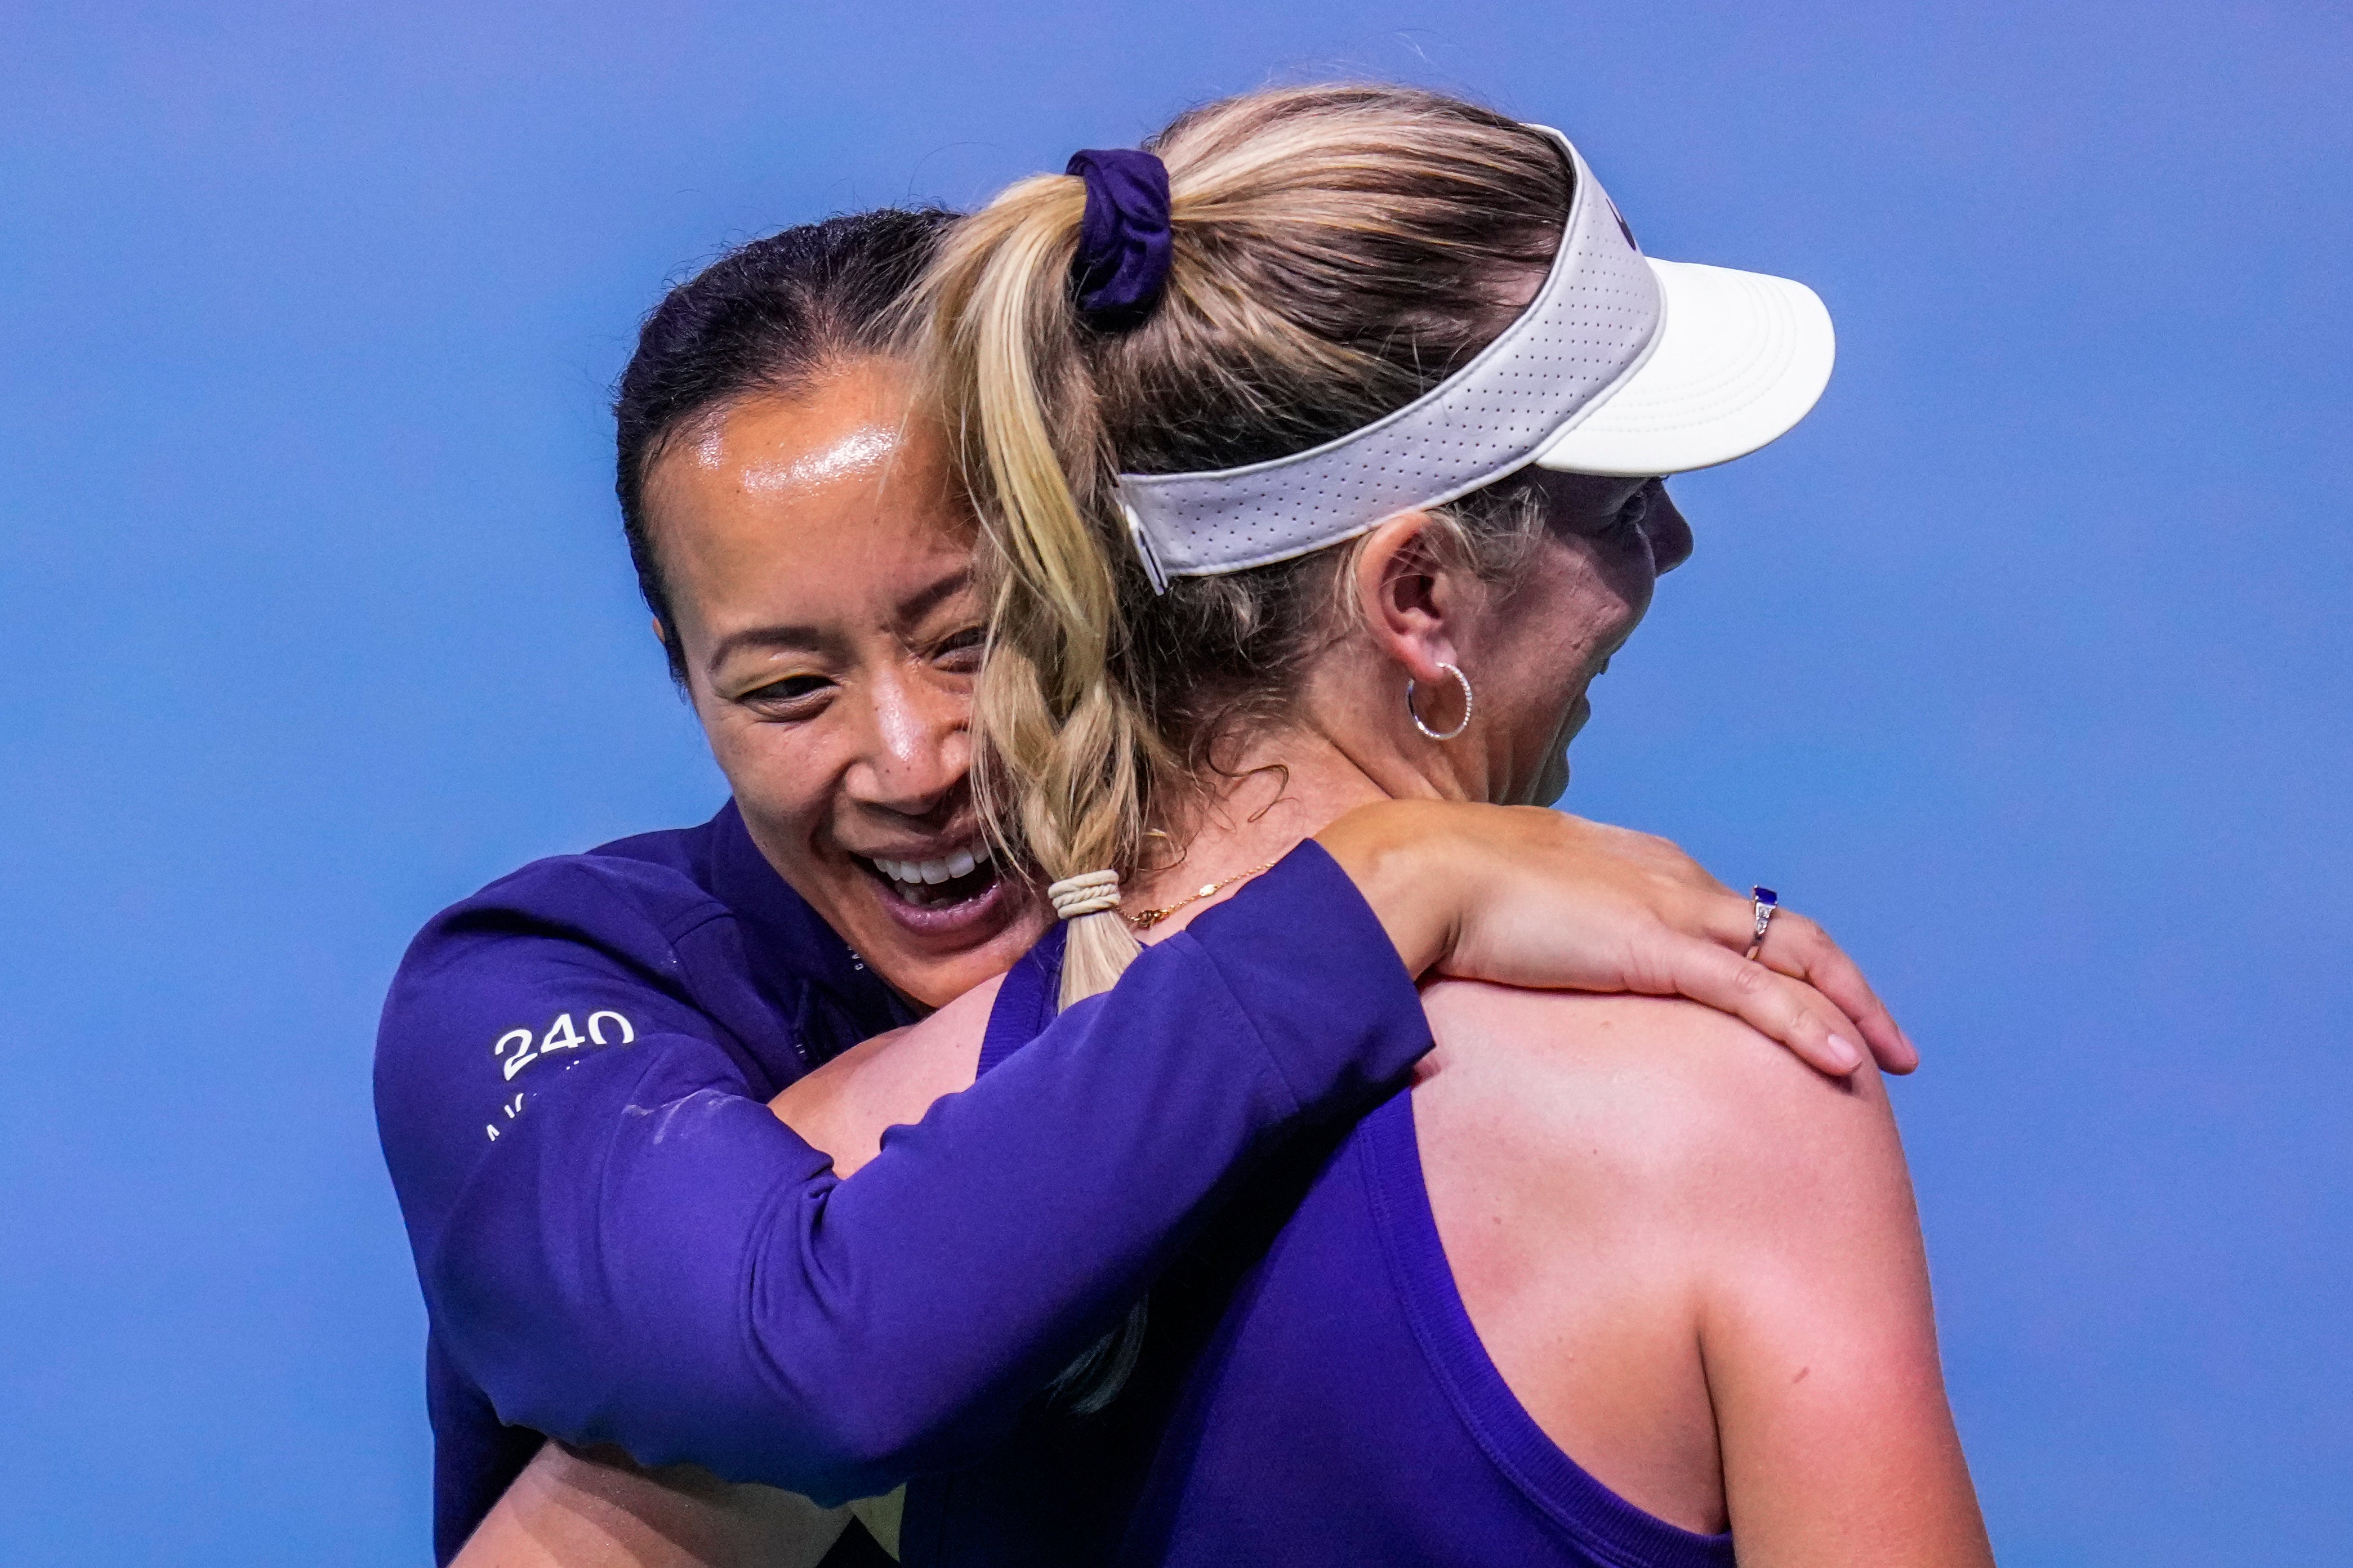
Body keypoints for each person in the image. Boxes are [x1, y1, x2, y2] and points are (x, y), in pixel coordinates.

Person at [378, 204, 1914, 1565]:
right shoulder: (550, 989)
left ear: (1091, 578)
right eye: (788, 688)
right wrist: (1372, 883)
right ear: (684, 681)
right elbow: (817, 1364)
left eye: (968, 639)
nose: (908, 759)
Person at [753, 83, 1992, 1564]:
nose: (1670, 542)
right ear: (1414, 599)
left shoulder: (828, 1171)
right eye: (1621, 501)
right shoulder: (1734, 1100)